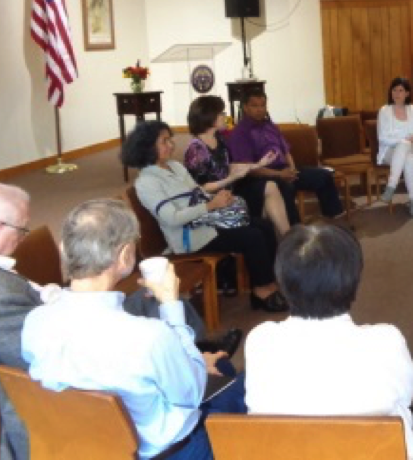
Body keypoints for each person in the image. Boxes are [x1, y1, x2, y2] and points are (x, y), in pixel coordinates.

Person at [0, 183, 237, 460]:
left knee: (215, 368)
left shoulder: (34, 324)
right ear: (124, 255)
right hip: (170, 451)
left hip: (94, 439)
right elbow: (190, 395)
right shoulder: (151, 336)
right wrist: (171, 306)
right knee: (232, 378)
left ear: (63, 249)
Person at [245, 223, 413, 460]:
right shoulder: (386, 341)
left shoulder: (260, 340)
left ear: (282, 282)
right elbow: (405, 396)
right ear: (354, 282)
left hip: (291, 452)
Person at [124, 120, 289, 313]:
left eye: (170, 139)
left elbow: (197, 193)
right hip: (188, 236)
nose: (171, 145)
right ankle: (262, 290)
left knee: (263, 226)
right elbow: (172, 218)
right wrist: (210, 205)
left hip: (205, 222)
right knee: (252, 237)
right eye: (164, 141)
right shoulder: (147, 182)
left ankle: (268, 282)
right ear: (147, 147)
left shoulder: (174, 166)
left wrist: (218, 199)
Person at [227, 91, 345, 226]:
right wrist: (280, 175)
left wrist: (292, 170)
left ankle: (335, 222)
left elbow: (286, 152)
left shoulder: (270, 126)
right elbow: (248, 169)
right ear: (245, 107)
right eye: (255, 106)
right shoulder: (240, 133)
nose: (260, 109)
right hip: (261, 176)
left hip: (284, 170)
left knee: (323, 176)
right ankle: (294, 230)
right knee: (286, 188)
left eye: (263, 105)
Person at [183, 95, 290, 237]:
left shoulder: (219, 139)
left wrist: (258, 164)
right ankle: (286, 239)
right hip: (214, 202)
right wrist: (231, 178)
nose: (225, 117)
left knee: (271, 187)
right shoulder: (196, 149)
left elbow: (228, 166)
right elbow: (202, 188)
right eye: (221, 113)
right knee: (267, 214)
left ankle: (286, 237)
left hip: (231, 192)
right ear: (210, 118)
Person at [377, 77, 413, 218]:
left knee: (407, 148)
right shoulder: (384, 111)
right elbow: (382, 138)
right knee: (409, 159)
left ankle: (391, 186)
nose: (397, 93)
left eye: (400, 90)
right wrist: (405, 139)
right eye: (394, 90)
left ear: (407, 93)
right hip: (389, 151)